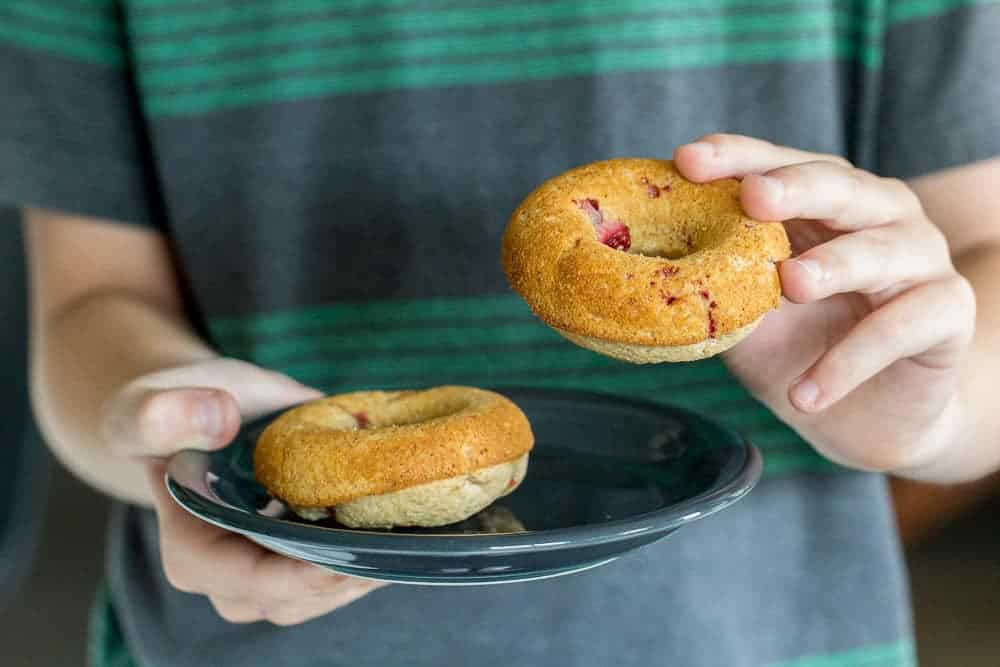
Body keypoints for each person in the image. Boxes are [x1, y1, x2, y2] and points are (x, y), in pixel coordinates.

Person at [3, 1, 999, 665]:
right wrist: (172, 418)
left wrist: (931, 410)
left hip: (763, 633)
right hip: (245, 627)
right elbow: (86, 306)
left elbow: (982, 254)